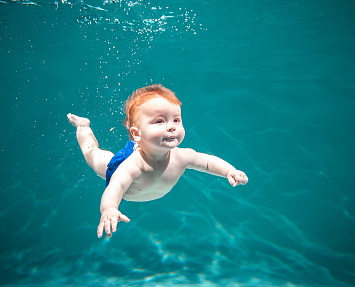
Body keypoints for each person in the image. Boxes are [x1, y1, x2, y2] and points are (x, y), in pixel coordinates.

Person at [68, 84, 248, 238]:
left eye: (176, 120)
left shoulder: (183, 156)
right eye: (160, 121)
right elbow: (115, 187)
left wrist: (228, 171)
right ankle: (83, 126)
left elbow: (207, 162)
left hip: (142, 151)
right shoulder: (132, 167)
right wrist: (109, 209)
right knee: (93, 154)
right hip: (119, 162)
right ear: (136, 134)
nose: (171, 126)